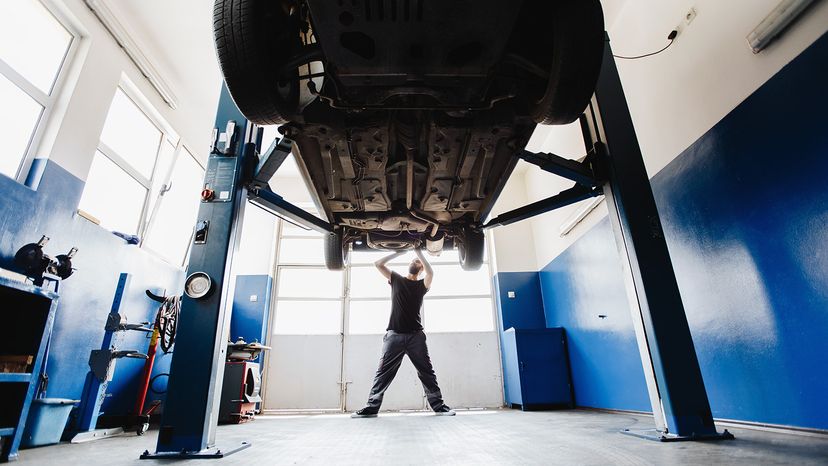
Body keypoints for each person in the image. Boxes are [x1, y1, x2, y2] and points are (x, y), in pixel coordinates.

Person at [351, 248, 455, 418]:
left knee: (426, 372)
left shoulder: (422, 285)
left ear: (421, 268)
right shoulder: (397, 279)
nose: (416, 261)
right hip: (394, 336)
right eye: (414, 260)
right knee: (383, 373)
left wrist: (419, 252)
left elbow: (431, 272)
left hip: (416, 337)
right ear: (409, 265)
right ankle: (371, 408)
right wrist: (398, 252)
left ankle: (439, 407)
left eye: (419, 261)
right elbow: (378, 264)